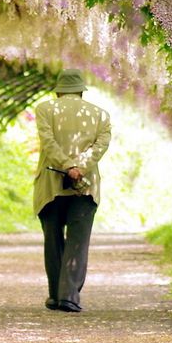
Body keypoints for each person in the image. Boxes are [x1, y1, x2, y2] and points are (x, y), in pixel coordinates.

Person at [32, 69, 111, 313]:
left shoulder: (44, 109)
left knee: (52, 239)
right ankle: (69, 296)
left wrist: (66, 166)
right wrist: (80, 167)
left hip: (51, 183)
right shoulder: (100, 115)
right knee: (78, 240)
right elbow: (101, 146)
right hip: (85, 186)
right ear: (81, 90)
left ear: (58, 90)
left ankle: (56, 295)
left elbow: (48, 142)